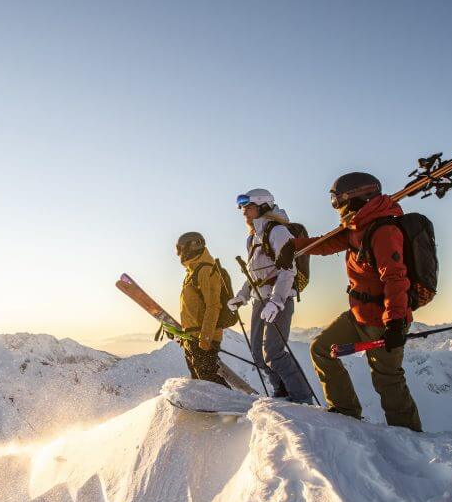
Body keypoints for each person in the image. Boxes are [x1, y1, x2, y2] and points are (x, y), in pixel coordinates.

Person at [275, 172, 422, 431]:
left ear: (354, 198)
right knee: (321, 349)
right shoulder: (358, 228)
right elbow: (327, 243)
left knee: (387, 378)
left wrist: (396, 321)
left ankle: (409, 437)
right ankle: (345, 413)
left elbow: (396, 279)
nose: (336, 207)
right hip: (359, 314)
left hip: (383, 318)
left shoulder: (383, 230)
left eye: (337, 200)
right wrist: (294, 246)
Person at [226, 189, 315, 403]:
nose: (243, 211)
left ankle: (302, 399)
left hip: (278, 300)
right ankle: (281, 394)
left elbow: (288, 270)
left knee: (274, 352)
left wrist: (276, 301)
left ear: (263, 205)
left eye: (248, 206)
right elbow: (255, 275)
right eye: (242, 207)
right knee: (258, 354)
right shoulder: (253, 238)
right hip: (259, 300)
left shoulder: (277, 231)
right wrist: (242, 296)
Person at [175, 232, 229, 387]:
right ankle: (207, 410)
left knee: (209, 380)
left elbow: (213, 306)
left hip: (203, 337)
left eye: (180, 249)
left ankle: (234, 408)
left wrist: (206, 337)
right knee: (200, 381)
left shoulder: (206, 270)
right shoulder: (192, 271)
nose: (179, 254)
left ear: (191, 246)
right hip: (192, 336)